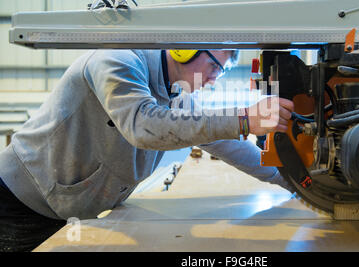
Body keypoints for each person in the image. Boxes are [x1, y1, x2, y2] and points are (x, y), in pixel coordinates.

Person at [0, 48, 295, 252]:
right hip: (18, 202)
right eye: (216, 66)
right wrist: (244, 118)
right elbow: (142, 125)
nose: (214, 78)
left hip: (73, 210)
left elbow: (227, 144)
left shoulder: (175, 91)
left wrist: (294, 181)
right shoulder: (117, 61)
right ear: (184, 50)